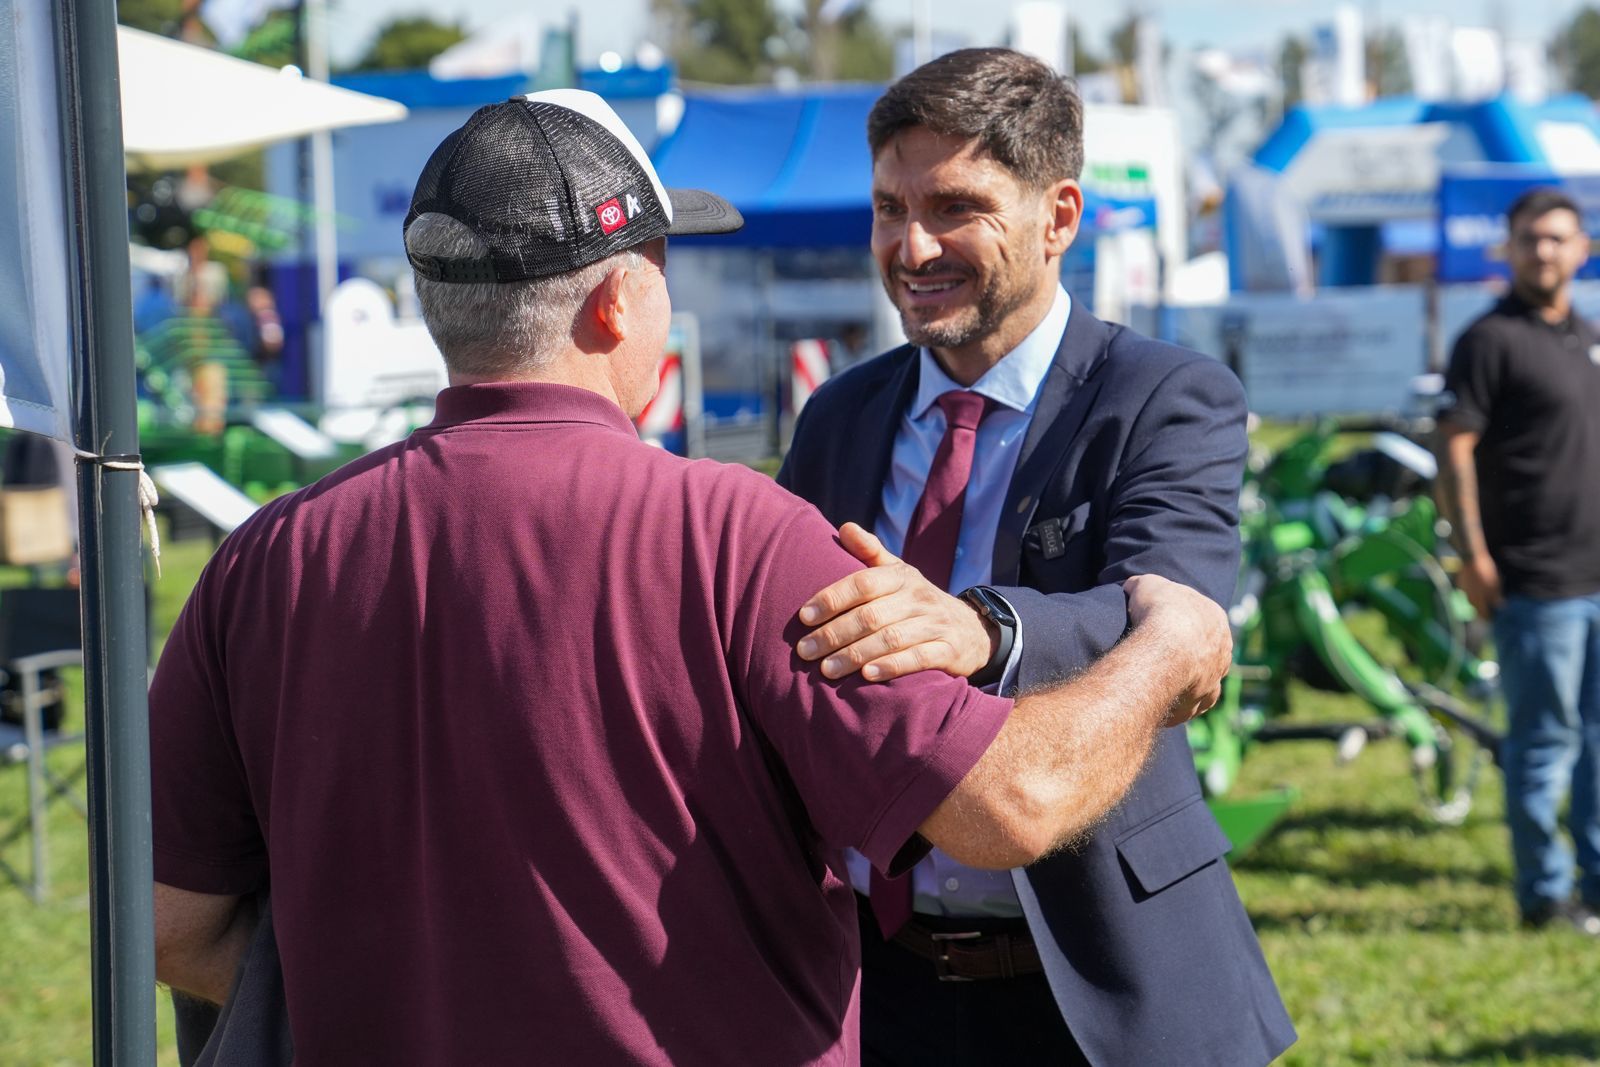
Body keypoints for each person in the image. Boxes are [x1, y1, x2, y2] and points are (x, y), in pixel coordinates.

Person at [148, 90, 1236, 1065]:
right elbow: (1012, 803)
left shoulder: (260, 559)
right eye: (664, 266)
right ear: (620, 302)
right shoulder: (735, 535)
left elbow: (169, 923)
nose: (910, 243)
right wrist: (1166, 655)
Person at [778, 49, 1296, 1066]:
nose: (911, 245)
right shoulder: (839, 414)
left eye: (954, 207)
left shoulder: (1164, 396)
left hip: (1106, 985)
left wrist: (982, 627)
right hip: (875, 983)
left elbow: (1175, 617)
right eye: (888, 208)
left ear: (1059, 216)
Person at [1436, 186, 1600, 937]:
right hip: (1536, 581)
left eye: (1558, 238)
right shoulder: (1488, 340)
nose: (1545, 251)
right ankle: (1546, 894)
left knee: (1595, 741)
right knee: (1543, 742)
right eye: (1531, 238)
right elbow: (1454, 449)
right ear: (1510, 248)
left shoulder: (1587, 337)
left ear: (1582, 250)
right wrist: (1471, 554)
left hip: (1595, 574)